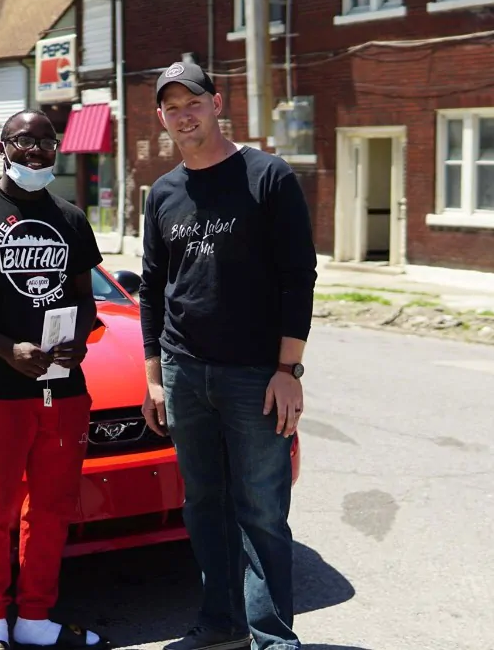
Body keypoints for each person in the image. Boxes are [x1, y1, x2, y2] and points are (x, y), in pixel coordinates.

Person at [139, 62, 318, 650]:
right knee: (204, 507)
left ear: (216, 102)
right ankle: (221, 628)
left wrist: (288, 370)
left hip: (253, 375)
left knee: (261, 510)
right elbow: (151, 287)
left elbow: (299, 278)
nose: (183, 115)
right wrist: (155, 377)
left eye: (192, 101)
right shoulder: (163, 193)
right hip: (184, 372)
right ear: (161, 117)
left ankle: (272, 640)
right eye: (171, 107)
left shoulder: (268, 177)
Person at [0, 109, 111, 650]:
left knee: (52, 508)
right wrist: (7, 350)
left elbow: (83, 297)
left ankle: (34, 619)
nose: (36, 152)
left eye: (47, 144)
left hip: (64, 389)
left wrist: (80, 334)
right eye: (24, 142)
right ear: (2, 147)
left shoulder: (71, 217)